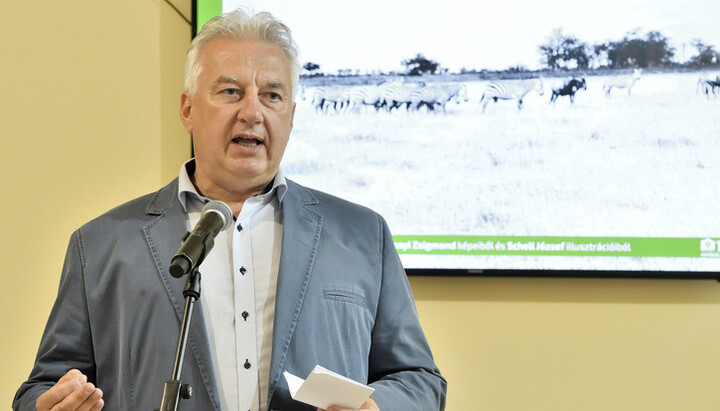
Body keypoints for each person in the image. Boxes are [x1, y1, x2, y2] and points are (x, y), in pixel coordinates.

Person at [13, 8, 446, 411]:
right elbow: (44, 385)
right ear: (188, 109)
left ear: (290, 116)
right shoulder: (101, 244)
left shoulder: (362, 235)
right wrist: (51, 404)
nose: (253, 112)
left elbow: (419, 379)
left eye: (272, 95)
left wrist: (378, 407)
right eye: (231, 91)